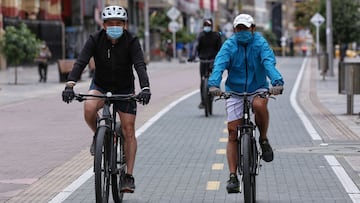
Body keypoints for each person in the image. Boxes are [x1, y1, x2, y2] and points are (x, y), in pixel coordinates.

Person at [61, 5, 151, 193]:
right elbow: (81, 61)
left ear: (125, 25)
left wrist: (145, 88)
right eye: (110, 23)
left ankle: (128, 176)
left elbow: (140, 65)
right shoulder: (95, 39)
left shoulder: (132, 40)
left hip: (125, 88)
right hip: (100, 85)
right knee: (89, 108)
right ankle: (98, 134)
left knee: (128, 129)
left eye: (119, 23)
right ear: (103, 25)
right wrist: (70, 84)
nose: (114, 26)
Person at [208, 14, 284, 193]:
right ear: (235, 30)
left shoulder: (260, 43)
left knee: (259, 106)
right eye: (239, 28)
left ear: (253, 29)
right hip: (234, 90)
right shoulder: (229, 45)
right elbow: (219, 64)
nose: (242, 32)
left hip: (258, 87)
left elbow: (268, 62)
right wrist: (213, 84)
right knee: (233, 132)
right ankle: (233, 176)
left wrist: (277, 82)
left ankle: (263, 139)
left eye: (245, 28)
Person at [188, 18, 222, 109]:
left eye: (208, 25)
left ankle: (215, 90)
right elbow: (196, 46)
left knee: (214, 78)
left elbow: (220, 49)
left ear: (212, 26)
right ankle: (203, 101)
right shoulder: (201, 36)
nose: (207, 27)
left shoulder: (216, 35)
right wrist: (192, 56)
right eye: (205, 25)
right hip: (203, 60)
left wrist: (220, 58)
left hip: (213, 60)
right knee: (203, 81)